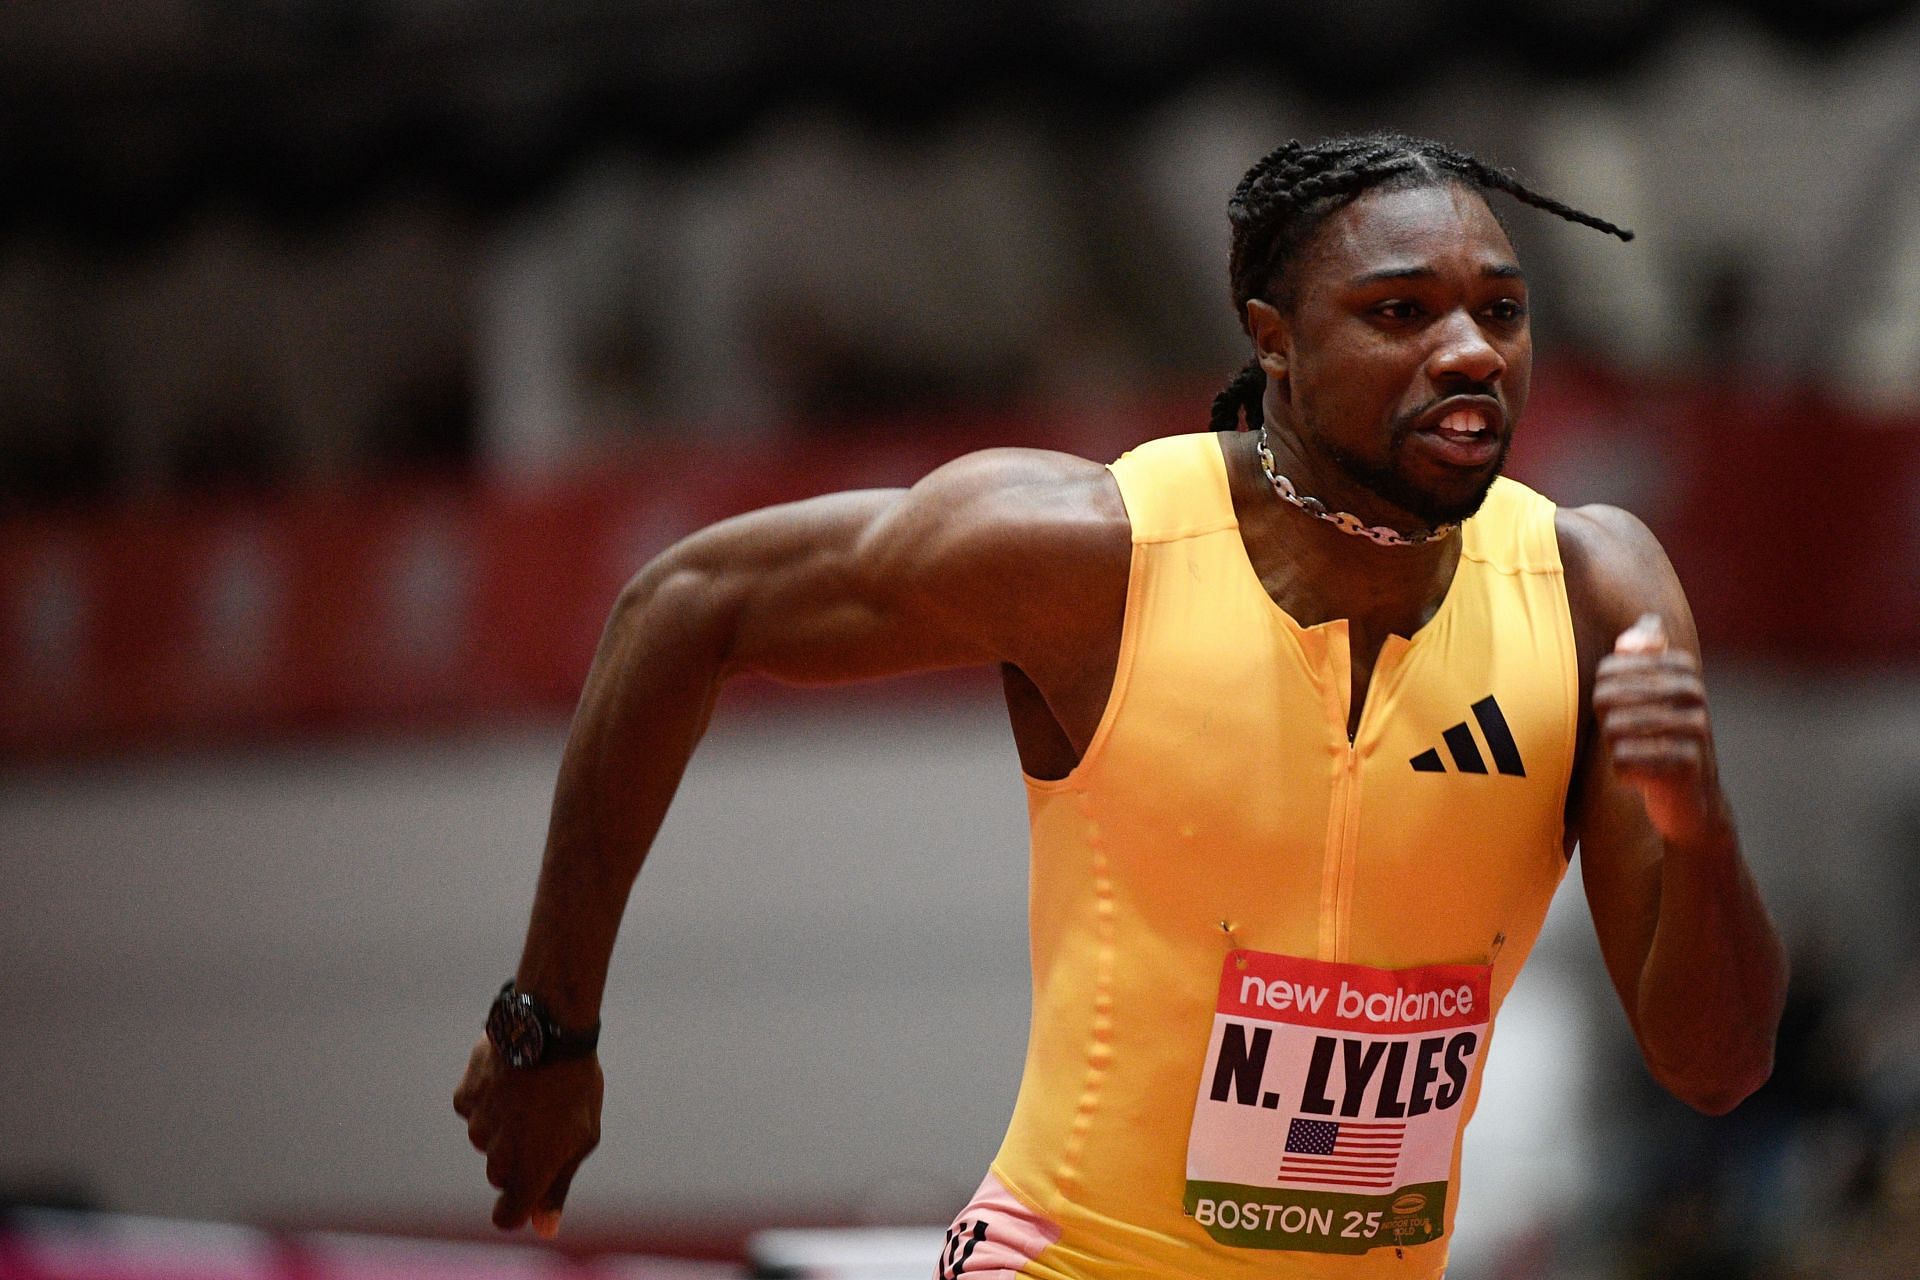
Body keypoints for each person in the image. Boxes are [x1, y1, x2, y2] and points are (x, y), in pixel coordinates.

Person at [454, 132, 1789, 1278]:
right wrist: (546, 1026)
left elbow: (1717, 1065)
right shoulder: (1092, 552)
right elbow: (683, 606)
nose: (1468, 352)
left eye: (1500, 311)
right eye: (1400, 314)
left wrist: (1700, 822)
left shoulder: (1591, 590)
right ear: (1273, 340)